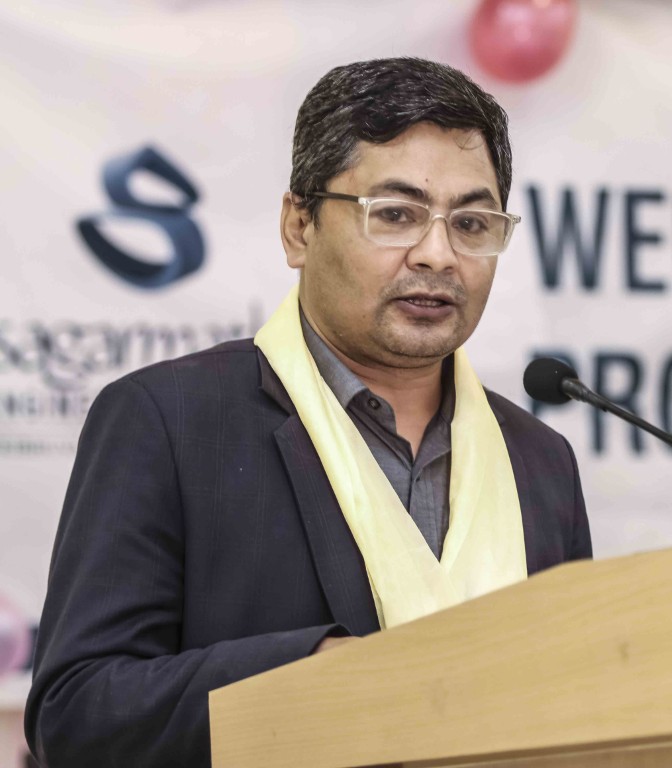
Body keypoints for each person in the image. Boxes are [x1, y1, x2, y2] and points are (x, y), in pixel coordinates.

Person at [25, 57, 592, 767]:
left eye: (472, 223)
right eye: (395, 215)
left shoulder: (539, 459)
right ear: (299, 227)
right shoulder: (168, 422)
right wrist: (311, 674)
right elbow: (77, 714)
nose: (438, 254)